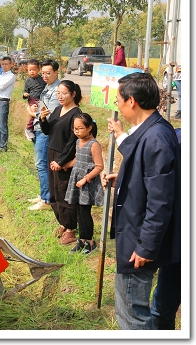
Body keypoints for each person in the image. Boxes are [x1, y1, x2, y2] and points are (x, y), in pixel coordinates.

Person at [101, 72, 180, 330]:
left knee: (132, 313)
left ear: (131, 101)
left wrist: (146, 246)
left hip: (140, 239)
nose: (118, 107)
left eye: (119, 101)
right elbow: (151, 181)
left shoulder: (155, 137)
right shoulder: (153, 130)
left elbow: (161, 200)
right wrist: (124, 179)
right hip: (139, 232)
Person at [38, 80, 82, 244]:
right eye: (58, 93)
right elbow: (49, 131)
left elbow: (72, 141)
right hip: (52, 152)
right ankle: (63, 223)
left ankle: (71, 229)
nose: (60, 96)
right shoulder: (57, 110)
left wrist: (62, 161)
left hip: (65, 156)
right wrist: (43, 119)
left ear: (73, 94)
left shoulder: (76, 115)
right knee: (54, 191)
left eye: (64, 93)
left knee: (65, 193)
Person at [64, 113, 104, 255]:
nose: (76, 131)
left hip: (87, 183)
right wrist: (66, 165)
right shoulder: (78, 142)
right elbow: (77, 159)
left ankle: (90, 242)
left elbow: (99, 166)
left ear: (89, 128)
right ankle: (81, 240)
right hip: (77, 179)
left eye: (80, 128)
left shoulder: (94, 145)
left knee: (85, 213)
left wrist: (85, 179)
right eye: (74, 128)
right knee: (79, 212)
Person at [27, 59, 61, 211]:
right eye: (43, 73)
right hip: (40, 128)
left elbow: (48, 115)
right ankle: (44, 195)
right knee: (41, 164)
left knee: (42, 164)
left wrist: (32, 112)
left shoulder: (57, 91)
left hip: (45, 131)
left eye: (48, 73)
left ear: (56, 72)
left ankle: (47, 199)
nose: (45, 76)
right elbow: (42, 108)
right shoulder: (47, 87)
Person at [22, 59, 47, 141]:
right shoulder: (28, 81)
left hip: (41, 100)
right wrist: (25, 94)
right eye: (30, 70)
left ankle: (36, 128)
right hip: (32, 99)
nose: (32, 72)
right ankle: (29, 128)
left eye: (34, 70)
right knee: (35, 113)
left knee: (41, 114)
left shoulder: (43, 79)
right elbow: (25, 91)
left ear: (38, 69)